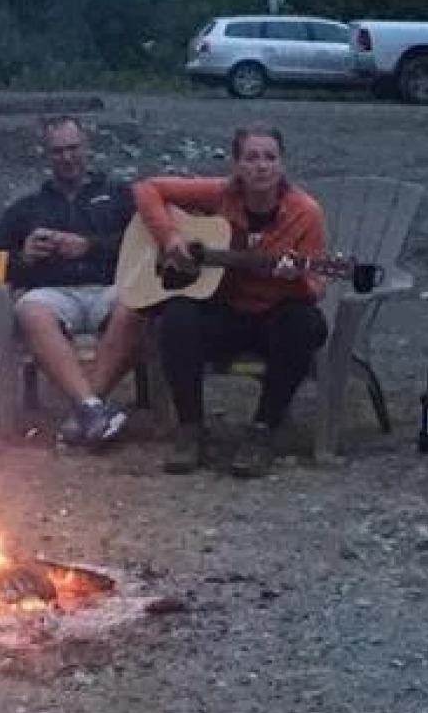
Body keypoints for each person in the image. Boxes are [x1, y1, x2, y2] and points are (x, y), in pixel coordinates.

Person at [133, 124, 328, 477]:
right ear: (237, 165)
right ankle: (191, 429)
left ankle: (263, 430)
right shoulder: (220, 195)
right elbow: (147, 189)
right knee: (178, 315)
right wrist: (171, 239)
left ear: (281, 164)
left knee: (304, 322)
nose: (261, 166)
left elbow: (316, 287)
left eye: (270, 157)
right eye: (251, 157)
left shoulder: (306, 213)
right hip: (225, 311)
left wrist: (295, 278)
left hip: (272, 317)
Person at [0, 116, 140, 448]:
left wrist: (89, 246)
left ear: (87, 148)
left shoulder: (119, 196)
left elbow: (144, 246)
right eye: (58, 151)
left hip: (109, 287)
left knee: (137, 305)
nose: (67, 157)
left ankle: (84, 412)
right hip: (53, 293)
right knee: (30, 309)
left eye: (73, 148)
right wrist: (24, 256)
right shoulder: (29, 207)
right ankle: (93, 410)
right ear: (47, 156)